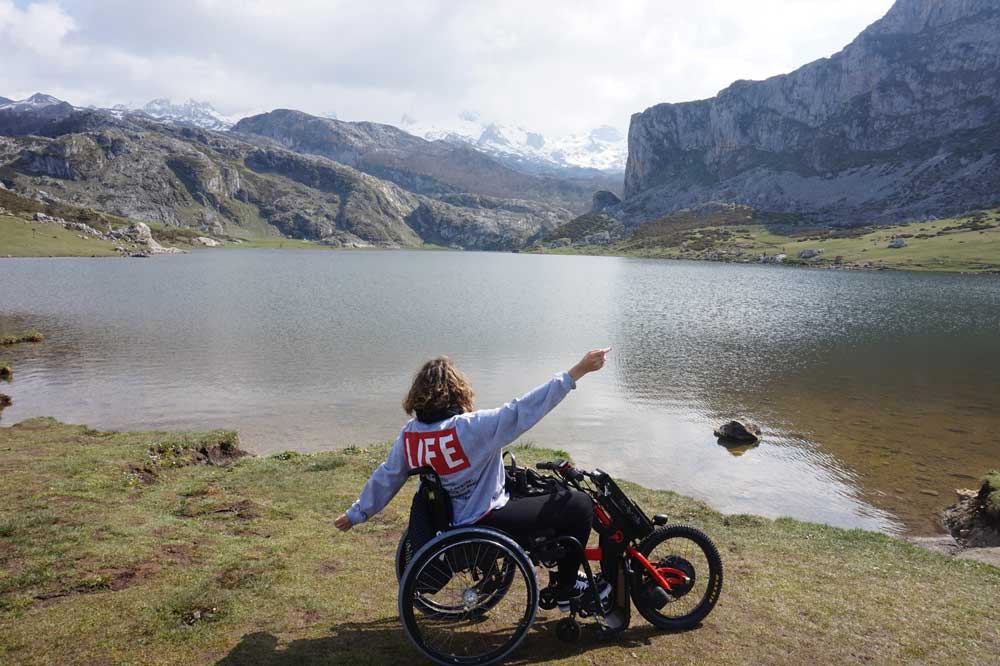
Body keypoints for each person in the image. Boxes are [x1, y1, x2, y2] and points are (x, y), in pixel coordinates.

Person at [335, 348, 611, 607]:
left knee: (540, 493)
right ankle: (567, 586)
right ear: (458, 391)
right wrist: (578, 371)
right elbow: (525, 409)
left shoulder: (411, 435)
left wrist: (358, 513)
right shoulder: (472, 427)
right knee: (579, 504)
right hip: (485, 517)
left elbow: (389, 475)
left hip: (449, 517)